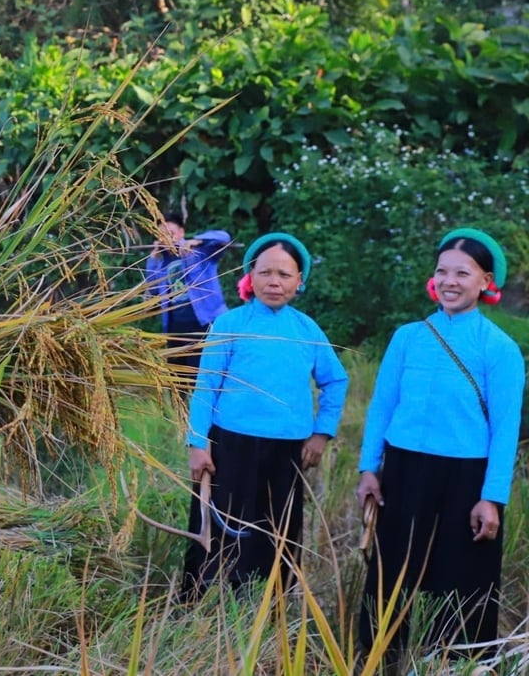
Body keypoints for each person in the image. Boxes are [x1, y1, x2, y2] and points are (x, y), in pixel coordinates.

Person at [357, 228, 523, 667]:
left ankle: (458, 663)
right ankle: (380, 659)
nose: (450, 281)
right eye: (442, 271)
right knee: (392, 571)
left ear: (486, 281)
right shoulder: (408, 337)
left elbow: (506, 430)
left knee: (461, 578)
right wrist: (369, 468)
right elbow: (381, 406)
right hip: (404, 470)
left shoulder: (500, 349)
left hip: (466, 477)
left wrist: (492, 497)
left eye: (462, 273)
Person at [183, 232, 348, 596]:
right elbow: (205, 386)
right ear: (250, 276)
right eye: (265, 272)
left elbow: (335, 381)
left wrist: (322, 433)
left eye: (285, 275)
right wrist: (197, 442)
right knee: (220, 526)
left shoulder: (307, 330)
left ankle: (266, 606)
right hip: (229, 446)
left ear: (299, 281)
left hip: (288, 451)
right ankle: (203, 606)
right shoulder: (229, 325)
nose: (274, 282)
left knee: (277, 529)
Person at [145, 211, 231, 393]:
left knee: (204, 378)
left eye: (171, 233)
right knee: (177, 382)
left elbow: (224, 237)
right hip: (175, 328)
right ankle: (181, 419)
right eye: (161, 235)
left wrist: (198, 240)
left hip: (203, 325)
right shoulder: (161, 262)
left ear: (181, 232)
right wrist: (153, 258)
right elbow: (151, 288)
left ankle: (207, 418)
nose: (166, 239)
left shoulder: (199, 252)